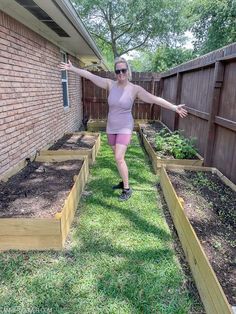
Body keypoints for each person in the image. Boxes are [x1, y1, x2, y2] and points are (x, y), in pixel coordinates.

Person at [60, 57, 187, 201]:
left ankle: (127, 189)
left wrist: (174, 107)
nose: (120, 73)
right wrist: (72, 69)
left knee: (119, 157)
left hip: (125, 127)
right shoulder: (110, 84)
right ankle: (123, 180)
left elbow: (154, 99)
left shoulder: (135, 89)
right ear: (115, 72)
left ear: (128, 71)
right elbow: (90, 75)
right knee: (119, 159)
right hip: (111, 127)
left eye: (123, 70)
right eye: (118, 71)